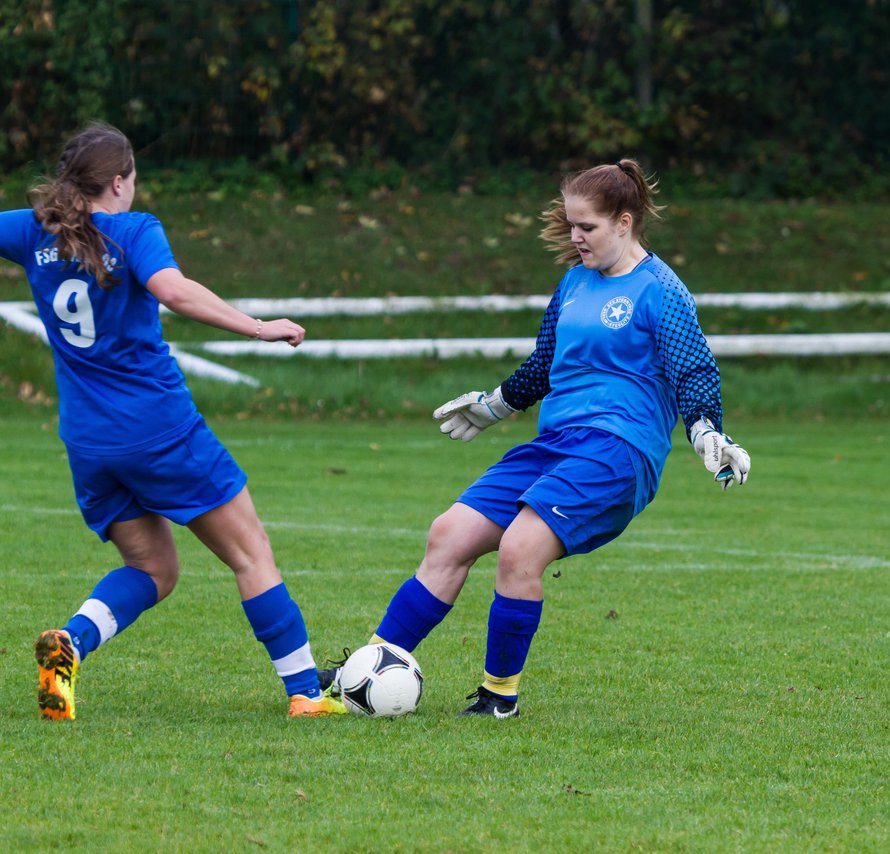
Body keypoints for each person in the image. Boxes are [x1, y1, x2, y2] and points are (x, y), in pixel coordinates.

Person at [321, 158, 751, 717]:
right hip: (560, 444)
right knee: (449, 534)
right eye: (571, 225)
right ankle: (373, 667)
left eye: (587, 227)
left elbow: (694, 369)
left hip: (618, 452)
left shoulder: (660, 291)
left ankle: (499, 698)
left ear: (624, 222)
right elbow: (545, 366)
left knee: (520, 549)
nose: (575, 238)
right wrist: (491, 406)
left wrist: (705, 430)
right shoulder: (574, 281)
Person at [0, 122, 346, 719]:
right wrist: (262, 327)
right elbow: (175, 291)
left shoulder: (31, 229)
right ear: (118, 181)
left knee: (153, 568)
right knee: (251, 554)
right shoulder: (134, 230)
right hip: (158, 431)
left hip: (88, 443)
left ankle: (70, 645)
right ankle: (306, 695)